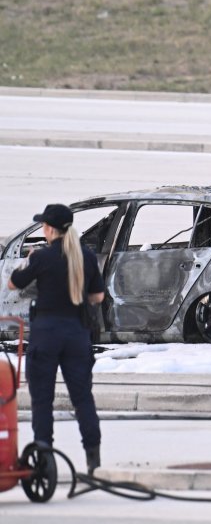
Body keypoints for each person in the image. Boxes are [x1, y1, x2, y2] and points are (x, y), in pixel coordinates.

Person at [7, 203, 104, 475]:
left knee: (42, 400)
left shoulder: (42, 257)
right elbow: (98, 297)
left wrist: (29, 259)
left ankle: (44, 458)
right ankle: (93, 458)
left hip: (46, 334)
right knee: (83, 398)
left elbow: (14, 283)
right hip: (76, 334)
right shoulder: (85, 256)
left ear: (49, 229)